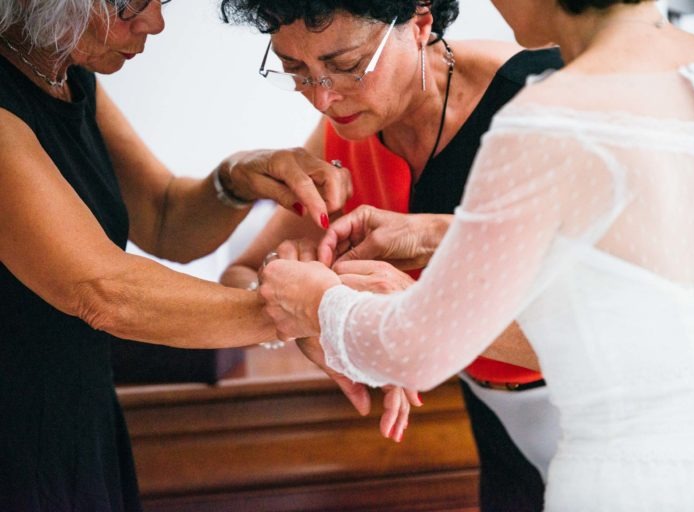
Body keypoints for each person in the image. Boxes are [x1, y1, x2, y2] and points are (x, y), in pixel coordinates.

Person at [256, 0, 694, 508]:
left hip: (622, 478)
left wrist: (315, 302)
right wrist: (434, 234)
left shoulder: (546, 114)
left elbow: (420, 348)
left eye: (345, 67)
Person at [0, 1, 415, 510]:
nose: (154, 22)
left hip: (77, 417)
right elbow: (101, 291)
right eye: (130, 4)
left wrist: (238, 178)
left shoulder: (62, 71)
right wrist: (321, 310)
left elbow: (165, 218)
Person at [219, 1, 562, 508]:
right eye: (296, 71)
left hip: (603, 414)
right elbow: (241, 272)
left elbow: (602, 335)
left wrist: (403, 312)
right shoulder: (350, 126)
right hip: (492, 421)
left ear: (420, 23)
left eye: (348, 66)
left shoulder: (538, 99)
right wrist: (290, 294)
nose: (324, 98)